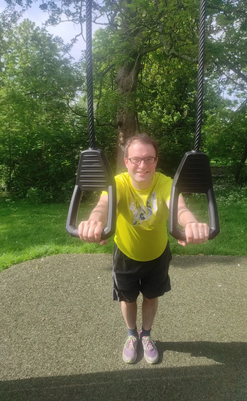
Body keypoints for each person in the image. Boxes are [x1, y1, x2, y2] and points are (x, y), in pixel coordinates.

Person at [78, 134, 209, 364]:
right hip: (126, 255)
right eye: (136, 159)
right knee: (128, 300)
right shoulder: (118, 183)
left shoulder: (165, 183)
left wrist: (190, 223)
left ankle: (146, 335)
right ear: (126, 161)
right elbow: (103, 206)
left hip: (157, 255)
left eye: (149, 159)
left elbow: (179, 207)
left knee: (151, 296)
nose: (143, 165)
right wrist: (94, 221)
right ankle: (131, 335)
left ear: (156, 161)